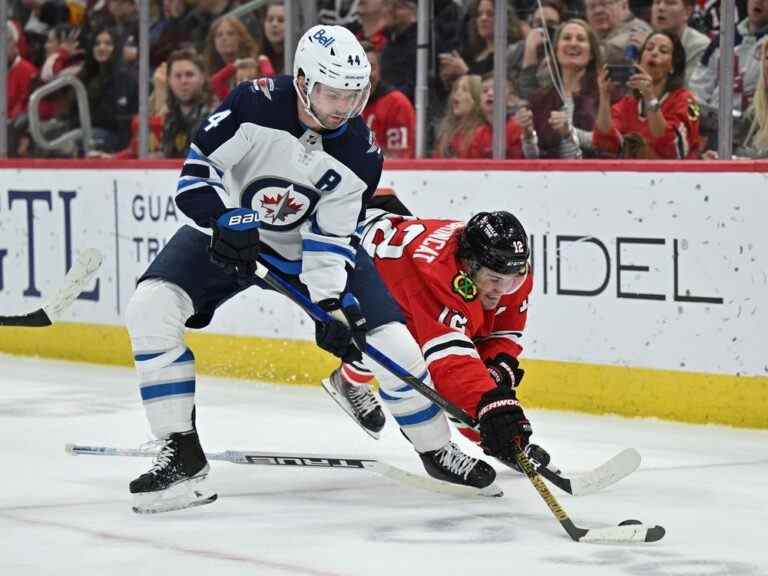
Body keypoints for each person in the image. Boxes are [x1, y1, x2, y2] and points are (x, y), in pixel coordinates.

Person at [124, 25, 497, 514]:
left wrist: (328, 308)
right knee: (151, 308)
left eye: (354, 94)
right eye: (332, 92)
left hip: (305, 247)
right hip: (229, 231)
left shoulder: (360, 153)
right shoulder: (251, 104)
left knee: (393, 344)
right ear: (302, 80)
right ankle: (181, 454)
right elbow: (197, 177)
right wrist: (223, 220)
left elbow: (329, 240)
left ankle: (435, 448)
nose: (344, 106)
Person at [322, 210, 545, 474]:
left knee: (435, 352)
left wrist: (500, 364)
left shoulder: (508, 265)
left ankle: (347, 378)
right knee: (392, 345)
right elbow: (452, 369)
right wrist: (494, 415)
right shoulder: (437, 277)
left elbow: (502, 330)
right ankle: (350, 380)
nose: (503, 289)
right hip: (363, 262)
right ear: (469, 265)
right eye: (495, 280)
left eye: (513, 281)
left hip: (391, 239)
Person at [593, 30, 702, 158]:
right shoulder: (628, 104)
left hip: (677, 176)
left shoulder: (686, 101)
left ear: (673, 66)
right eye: (649, 48)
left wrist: (650, 97)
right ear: (639, 61)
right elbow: (604, 143)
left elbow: (673, 150)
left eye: (663, 51)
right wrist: (604, 97)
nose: (654, 53)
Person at [526, 19, 603, 158]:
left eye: (580, 39)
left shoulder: (605, 94)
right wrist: (527, 136)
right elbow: (533, 157)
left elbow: (610, 142)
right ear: (556, 51)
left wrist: (570, 132)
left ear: (591, 53)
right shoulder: (539, 100)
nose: (573, 43)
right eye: (567, 38)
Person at [361, 42, 416, 159]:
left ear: (379, 70)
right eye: (360, 67)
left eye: (371, 67)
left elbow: (399, 158)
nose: (367, 74)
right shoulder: (339, 105)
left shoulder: (396, 105)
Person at [651, 0, 709, 84]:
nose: (660, 8)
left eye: (670, 3)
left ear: (687, 12)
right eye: (657, 2)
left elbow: (691, 91)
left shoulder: (700, 46)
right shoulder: (645, 41)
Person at [432, 74, 487, 158]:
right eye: (456, 89)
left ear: (476, 98)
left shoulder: (483, 134)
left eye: (464, 90)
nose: (457, 93)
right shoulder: (446, 133)